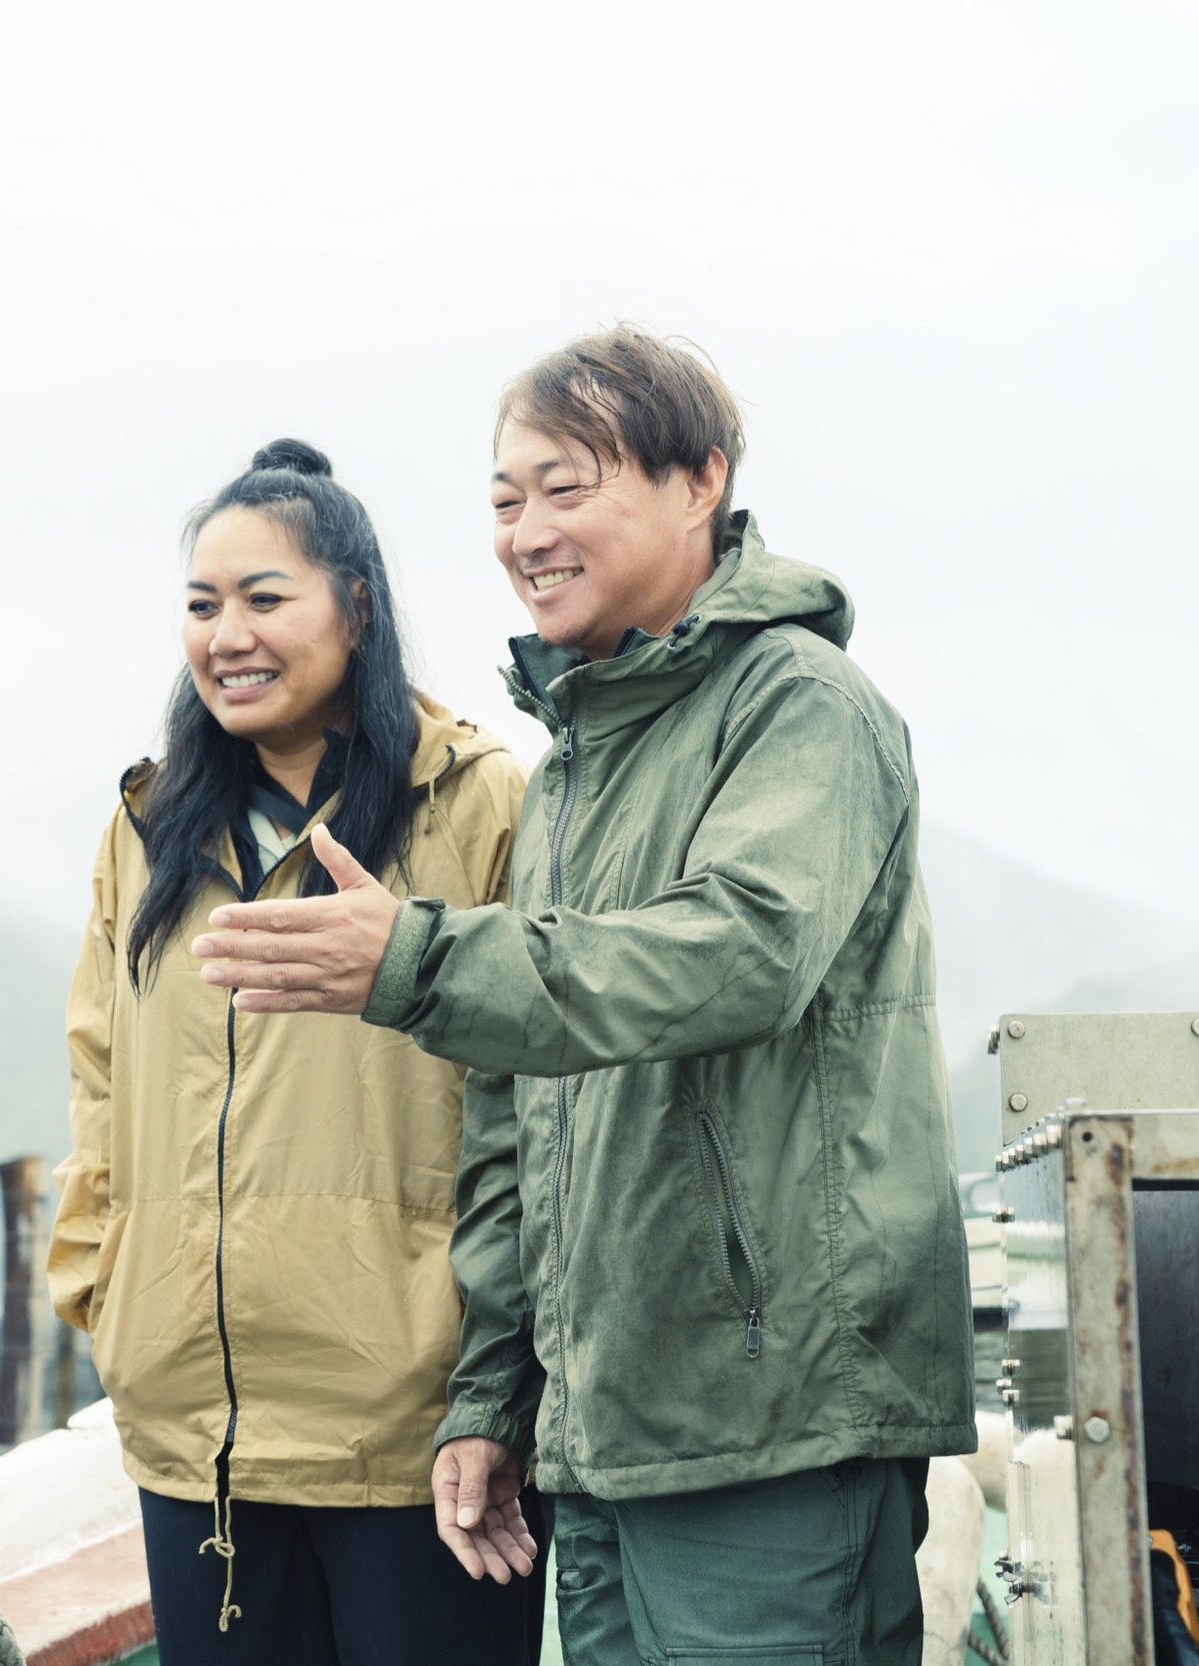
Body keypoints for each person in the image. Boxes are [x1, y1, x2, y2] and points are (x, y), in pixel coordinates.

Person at [190, 330, 976, 1665]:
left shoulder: (800, 706)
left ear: (699, 483)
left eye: (567, 488)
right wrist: (496, 1392)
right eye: (506, 501)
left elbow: (740, 950)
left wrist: (417, 960)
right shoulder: (570, 770)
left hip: (772, 1418)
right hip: (603, 1442)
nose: (529, 533)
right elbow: (521, 1106)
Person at [47, 439, 546, 1665]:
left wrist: (491, 1383)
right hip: (194, 1429)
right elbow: (101, 1077)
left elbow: (533, 1104)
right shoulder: (149, 825)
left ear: (356, 607)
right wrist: (110, 1293)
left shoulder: (476, 802)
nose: (230, 635)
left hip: (412, 1429)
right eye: (203, 604)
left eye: (266, 598)